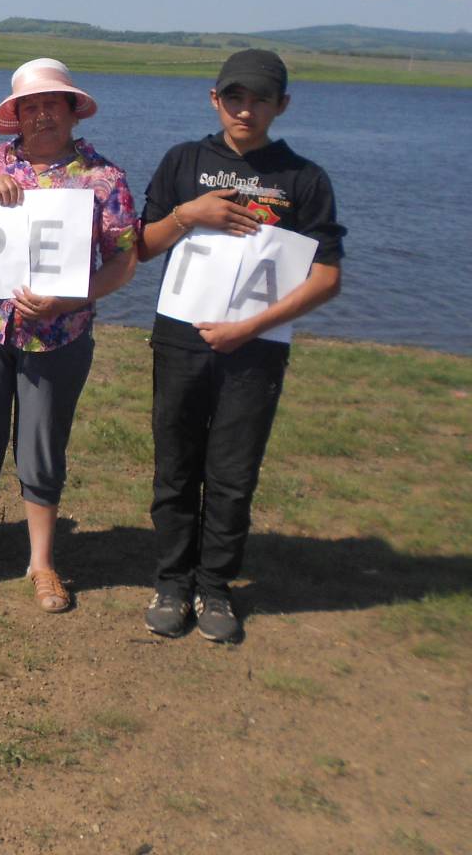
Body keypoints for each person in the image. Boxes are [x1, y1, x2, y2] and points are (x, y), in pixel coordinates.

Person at [136, 49, 343, 643]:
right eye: (234, 97)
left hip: (255, 350)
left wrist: (249, 329)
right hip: (180, 339)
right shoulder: (184, 160)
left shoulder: (304, 179)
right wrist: (187, 214)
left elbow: (327, 278)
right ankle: (172, 583)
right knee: (175, 468)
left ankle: (216, 588)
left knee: (231, 474)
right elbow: (142, 247)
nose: (244, 109)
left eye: (258, 99)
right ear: (214, 99)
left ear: (282, 105)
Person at [0, 59, 137, 613]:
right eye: (30, 107)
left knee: (42, 446)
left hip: (60, 334)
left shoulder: (102, 178)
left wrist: (74, 296)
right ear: (16, 116)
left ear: (70, 111)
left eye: (52, 104)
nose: (41, 115)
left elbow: (123, 262)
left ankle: (41, 563)